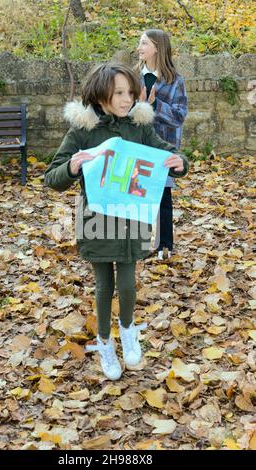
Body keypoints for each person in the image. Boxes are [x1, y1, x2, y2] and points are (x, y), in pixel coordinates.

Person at [44, 63, 188, 380]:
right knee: (104, 285)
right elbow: (52, 177)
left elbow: (165, 153)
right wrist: (71, 166)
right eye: (119, 93)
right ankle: (105, 344)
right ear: (100, 95)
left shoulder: (139, 127)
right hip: (97, 221)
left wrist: (179, 163)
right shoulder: (83, 130)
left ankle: (127, 330)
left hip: (132, 217)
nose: (127, 99)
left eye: (130, 93)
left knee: (126, 284)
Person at [137, 29, 188, 260]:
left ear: (157, 47)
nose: (139, 48)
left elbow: (179, 116)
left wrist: (156, 104)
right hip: (137, 145)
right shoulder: (133, 77)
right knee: (138, 194)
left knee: (163, 196)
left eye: (144, 43)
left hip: (163, 147)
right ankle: (138, 244)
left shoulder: (175, 81)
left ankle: (164, 246)